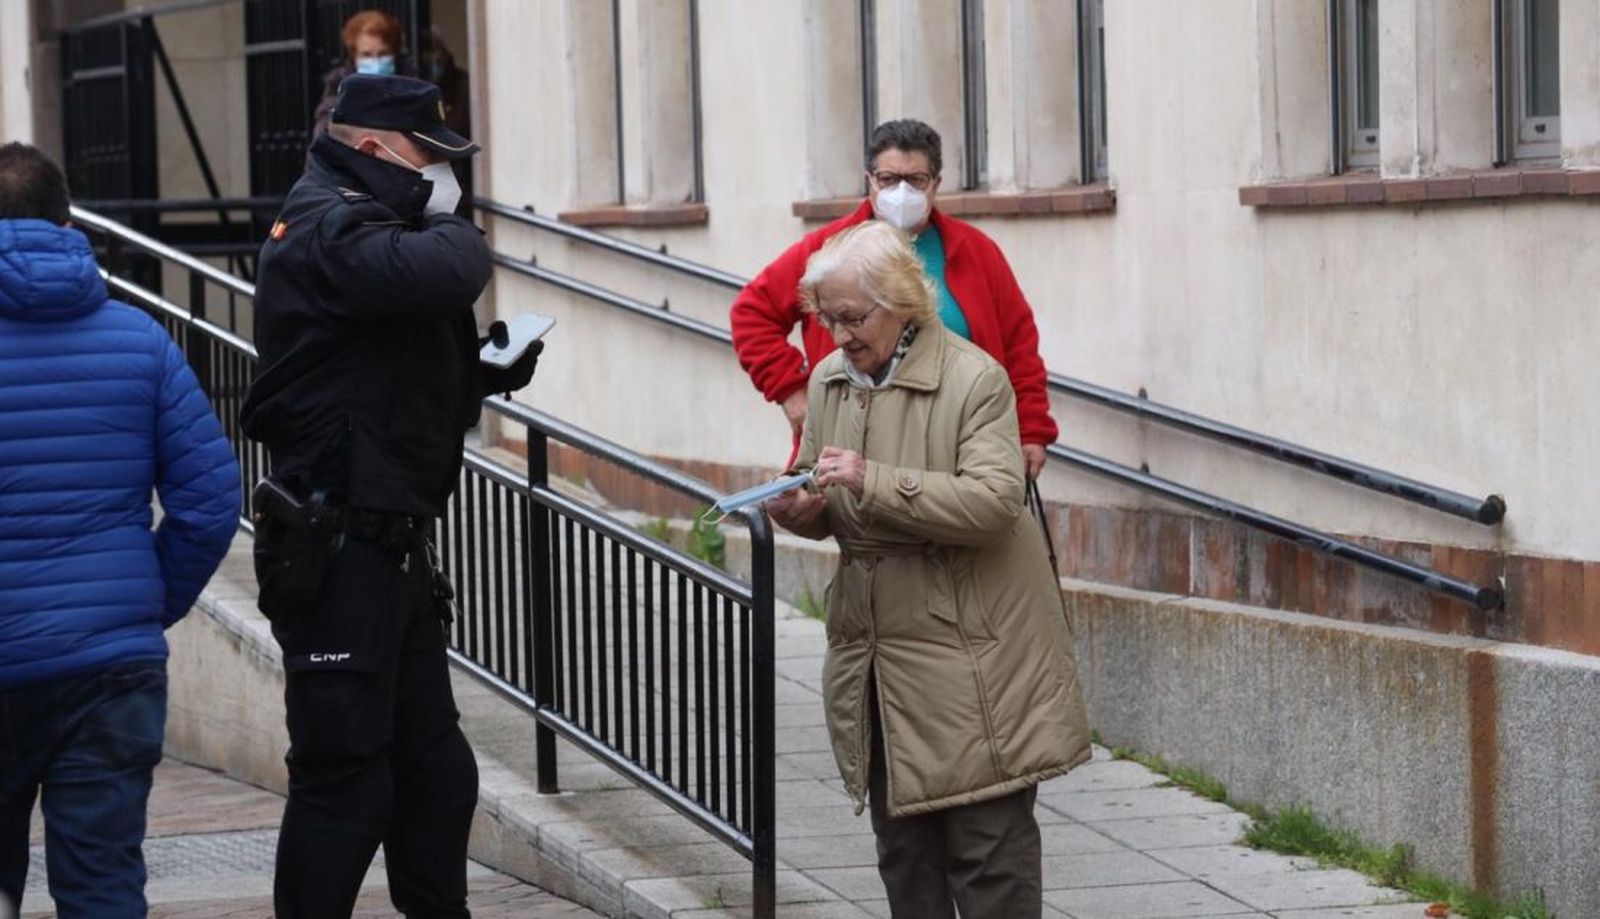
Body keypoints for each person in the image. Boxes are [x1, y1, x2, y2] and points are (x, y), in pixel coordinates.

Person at [240, 74, 538, 918]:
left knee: (436, 775)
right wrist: (453, 228)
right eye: (427, 156)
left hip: (393, 546)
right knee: (343, 782)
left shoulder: (373, 223)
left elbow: (376, 377)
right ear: (369, 148)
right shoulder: (323, 223)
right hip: (335, 550)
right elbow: (447, 266)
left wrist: (477, 374)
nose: (443, 177)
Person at [764, 221, 1089, 918]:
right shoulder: (828, 380)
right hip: (878, 661)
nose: (839, 334)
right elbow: (822, 481)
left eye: (852, 316)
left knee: (987, 857)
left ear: (902, 302)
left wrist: (873, 479)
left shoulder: (975, 380)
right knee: (904, 857)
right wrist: (799, 506)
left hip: (976, 662)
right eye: (828, 317)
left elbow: (995, 502)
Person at [0, 142, 241, 918]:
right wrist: (141, 601)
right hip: (110, 666)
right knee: (103, 887)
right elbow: (209, 498)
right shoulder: (140, 339)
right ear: (68, 221)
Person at [730, 118, 1058, 477]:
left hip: (962, 447)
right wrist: (791, 390)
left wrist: (1030, 429)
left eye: (916, 180)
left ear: (936, 184)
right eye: (888, 179)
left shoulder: (976, 252)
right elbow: (751, 313)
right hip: (856, 446)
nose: (901, 191)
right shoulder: (828, 249)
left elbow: (1019, 345)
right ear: (869, 180)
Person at [311, 9, 411, 139]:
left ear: (395, 53)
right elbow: (322, 135)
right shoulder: (339, 86)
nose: (376, 62)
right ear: (354, 56)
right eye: (367, 55)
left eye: (383, 54)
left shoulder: (412, 86)